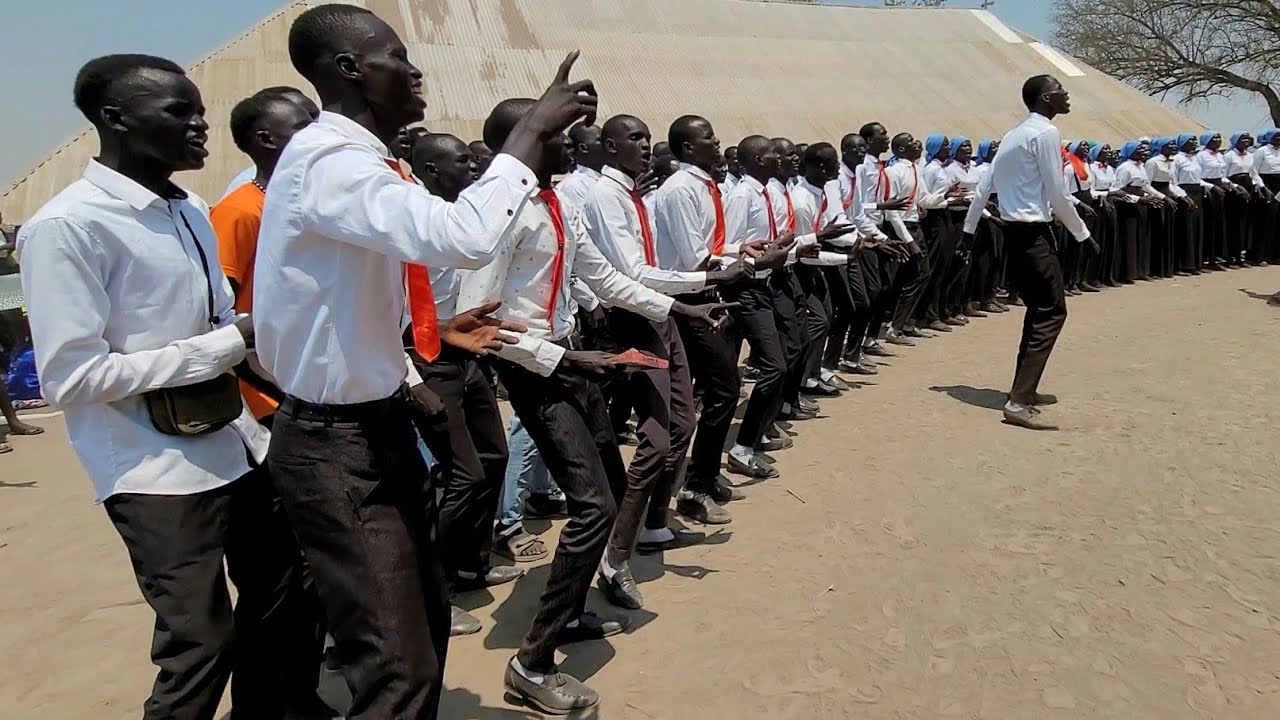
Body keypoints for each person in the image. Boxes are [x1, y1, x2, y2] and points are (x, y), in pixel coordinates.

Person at [252, 5, 597, 717]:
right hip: (332, 443)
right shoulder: (328, 163)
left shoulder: (370, 163)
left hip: (372, 428)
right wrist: (530, 129)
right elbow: (465, 237)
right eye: (395, 58)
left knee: (422, 632)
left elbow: (367, 308)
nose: (414, 72)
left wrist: (414, 368)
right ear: (349, 70)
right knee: (395, 662)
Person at [18, 54, 317, 719]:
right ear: (115, 119)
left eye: (200, 110)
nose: (201, 125)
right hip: (154, 471)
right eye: (179, 111)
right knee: (199, 642)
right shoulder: (68, 227)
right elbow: (71, 377)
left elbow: (219, 324)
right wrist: (218, 347)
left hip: (235, 443)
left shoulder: (189, 210)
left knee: (283, 596)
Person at [457, 97, 732, 715]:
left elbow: (604, 276)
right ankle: (532, 661)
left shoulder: (553, 204)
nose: (572, 141)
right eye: (557, 133)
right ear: (521, 142)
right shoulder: (500, 216)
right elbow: (477, 323)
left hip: (571, 360)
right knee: (592, 507)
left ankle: (573, 608)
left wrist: (678, 307)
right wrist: (568, 360)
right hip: (539, 372)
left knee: (607, 486)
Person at [584, 113, 753, 606]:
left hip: (661, 317)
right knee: (656, 438)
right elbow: (632, 273)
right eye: (632, 138)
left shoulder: (636, 196)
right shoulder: (603, 197)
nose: (644, 144)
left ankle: (654, 523)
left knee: (682, 424)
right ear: (611, 147)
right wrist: (705, 284)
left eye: (645, 136)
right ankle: (614, 558)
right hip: (637, 320)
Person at [406, 132, 529, 635]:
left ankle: (470, 562)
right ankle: (433, 592)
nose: (473, 170)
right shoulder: (409, 221)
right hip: (425, 356)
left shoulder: (451, 219)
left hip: (461, 346)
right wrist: (413, 375)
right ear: (433, 170)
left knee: (493, 457)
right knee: (463, 475)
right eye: (462, 163)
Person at [962, 74, 1098, 431]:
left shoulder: (1013, 134)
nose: (1067, 97)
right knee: (1052, 311)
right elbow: (1056, 192)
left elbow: (983, 189)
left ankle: (1025, 389)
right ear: (1045, 99)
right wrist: (1083, 235)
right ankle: (1019, 401)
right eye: (1061, 93)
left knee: (1039, 310)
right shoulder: (1045, 134)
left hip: (1015, 234)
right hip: (1033, 235)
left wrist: (968, 230)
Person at [652, 115, 754, 511]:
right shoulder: (680, 190)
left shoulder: (703, 186)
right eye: (708, 137)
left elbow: (711, 250)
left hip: (705, 293)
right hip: (688, 301)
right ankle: (692, 487)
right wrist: (730, 265)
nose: (717, 142)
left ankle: (699, 479)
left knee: (714, 391)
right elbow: (696, 259)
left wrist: (742, 252)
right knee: (721, 389)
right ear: (689, 148)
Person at [221, 86, 320, 197]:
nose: (317, 127)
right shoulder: (242, 200)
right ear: (266, 139)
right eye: (303, 124)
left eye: (316, 117)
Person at [557, 121, 606, 209]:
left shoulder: (605, 179)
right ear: (583, 148)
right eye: (601, 140)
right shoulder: (574, 186)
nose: (607, 144)